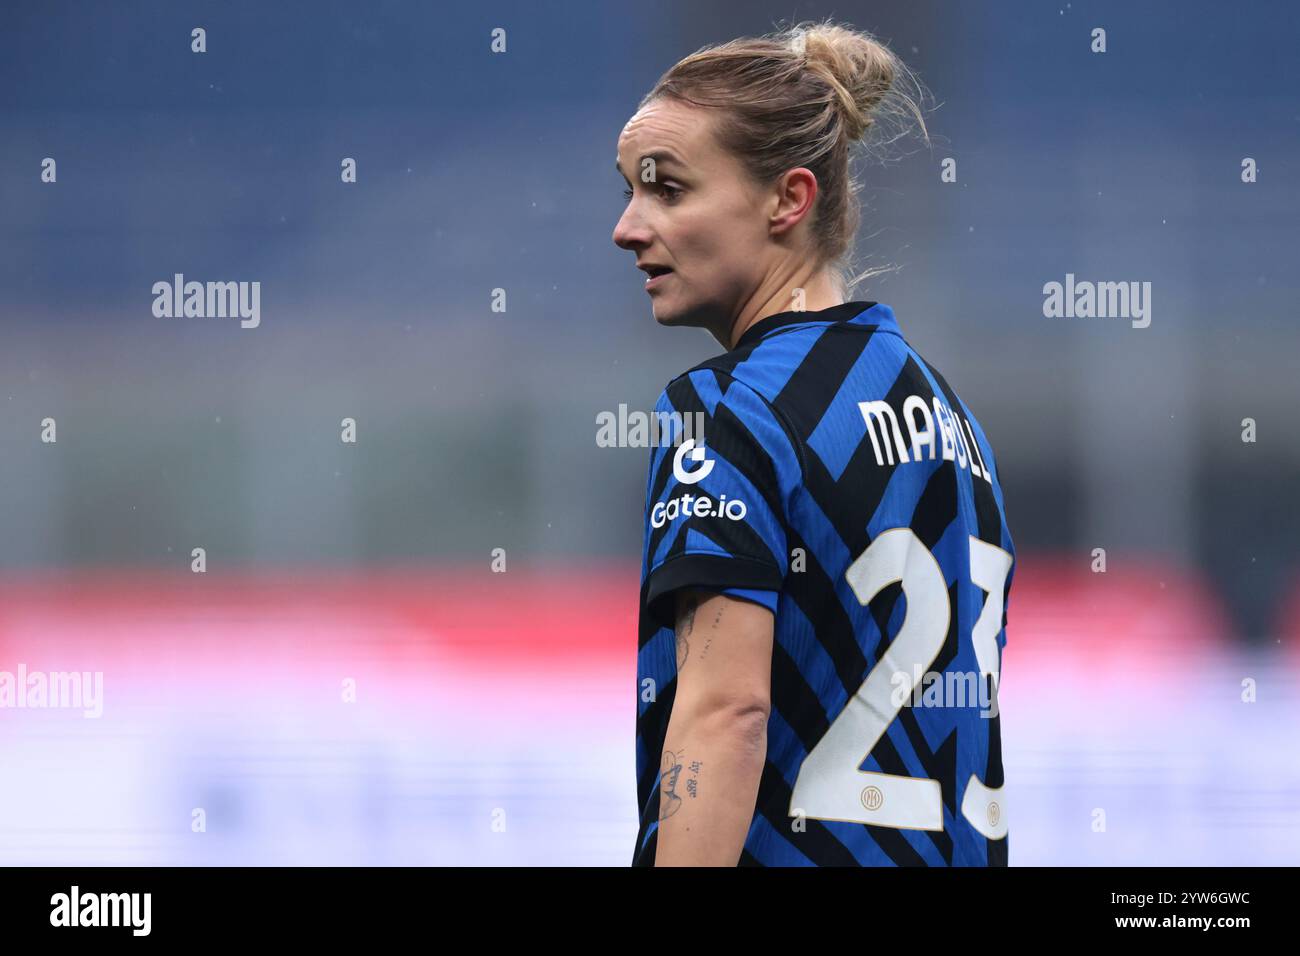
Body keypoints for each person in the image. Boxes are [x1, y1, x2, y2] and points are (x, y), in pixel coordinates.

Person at [613, 20, 1015, 866]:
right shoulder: (953, 418)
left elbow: (727, 716)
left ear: (789, 200)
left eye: (669, 190)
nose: (628, 227)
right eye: (629, 193)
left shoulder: (727, 411)